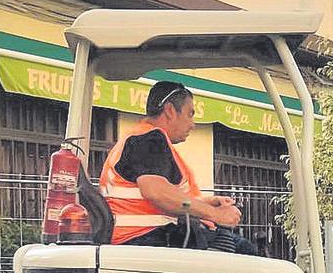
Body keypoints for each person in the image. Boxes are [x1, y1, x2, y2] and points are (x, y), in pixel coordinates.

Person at [99, 81, 257, 254]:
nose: (192, 124)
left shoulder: (139, 138)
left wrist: (207, 202)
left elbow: (156, 199)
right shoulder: (151, 139)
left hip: (137, 238)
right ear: (170, 111)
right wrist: (215, 214)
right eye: (190, 114)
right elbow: (155, 192)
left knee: (234, 245)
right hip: (146, 239)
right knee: (243, 249)